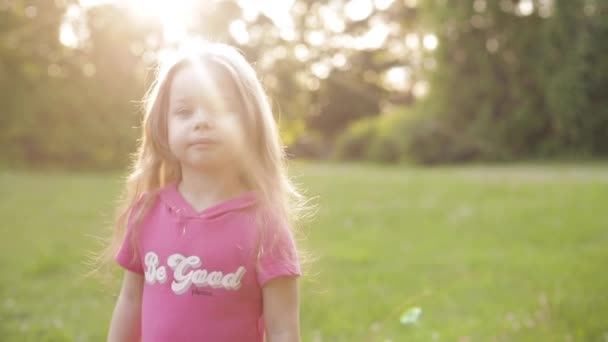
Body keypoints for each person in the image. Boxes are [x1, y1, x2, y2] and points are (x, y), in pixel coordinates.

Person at [103, 42, 308, 342]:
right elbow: (131, 302)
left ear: (250, 123)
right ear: (164, 127)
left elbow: (283, 329)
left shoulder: (266, 226)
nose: (202, 121)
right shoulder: (146, 212)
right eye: (184, 111)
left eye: (221, 109)